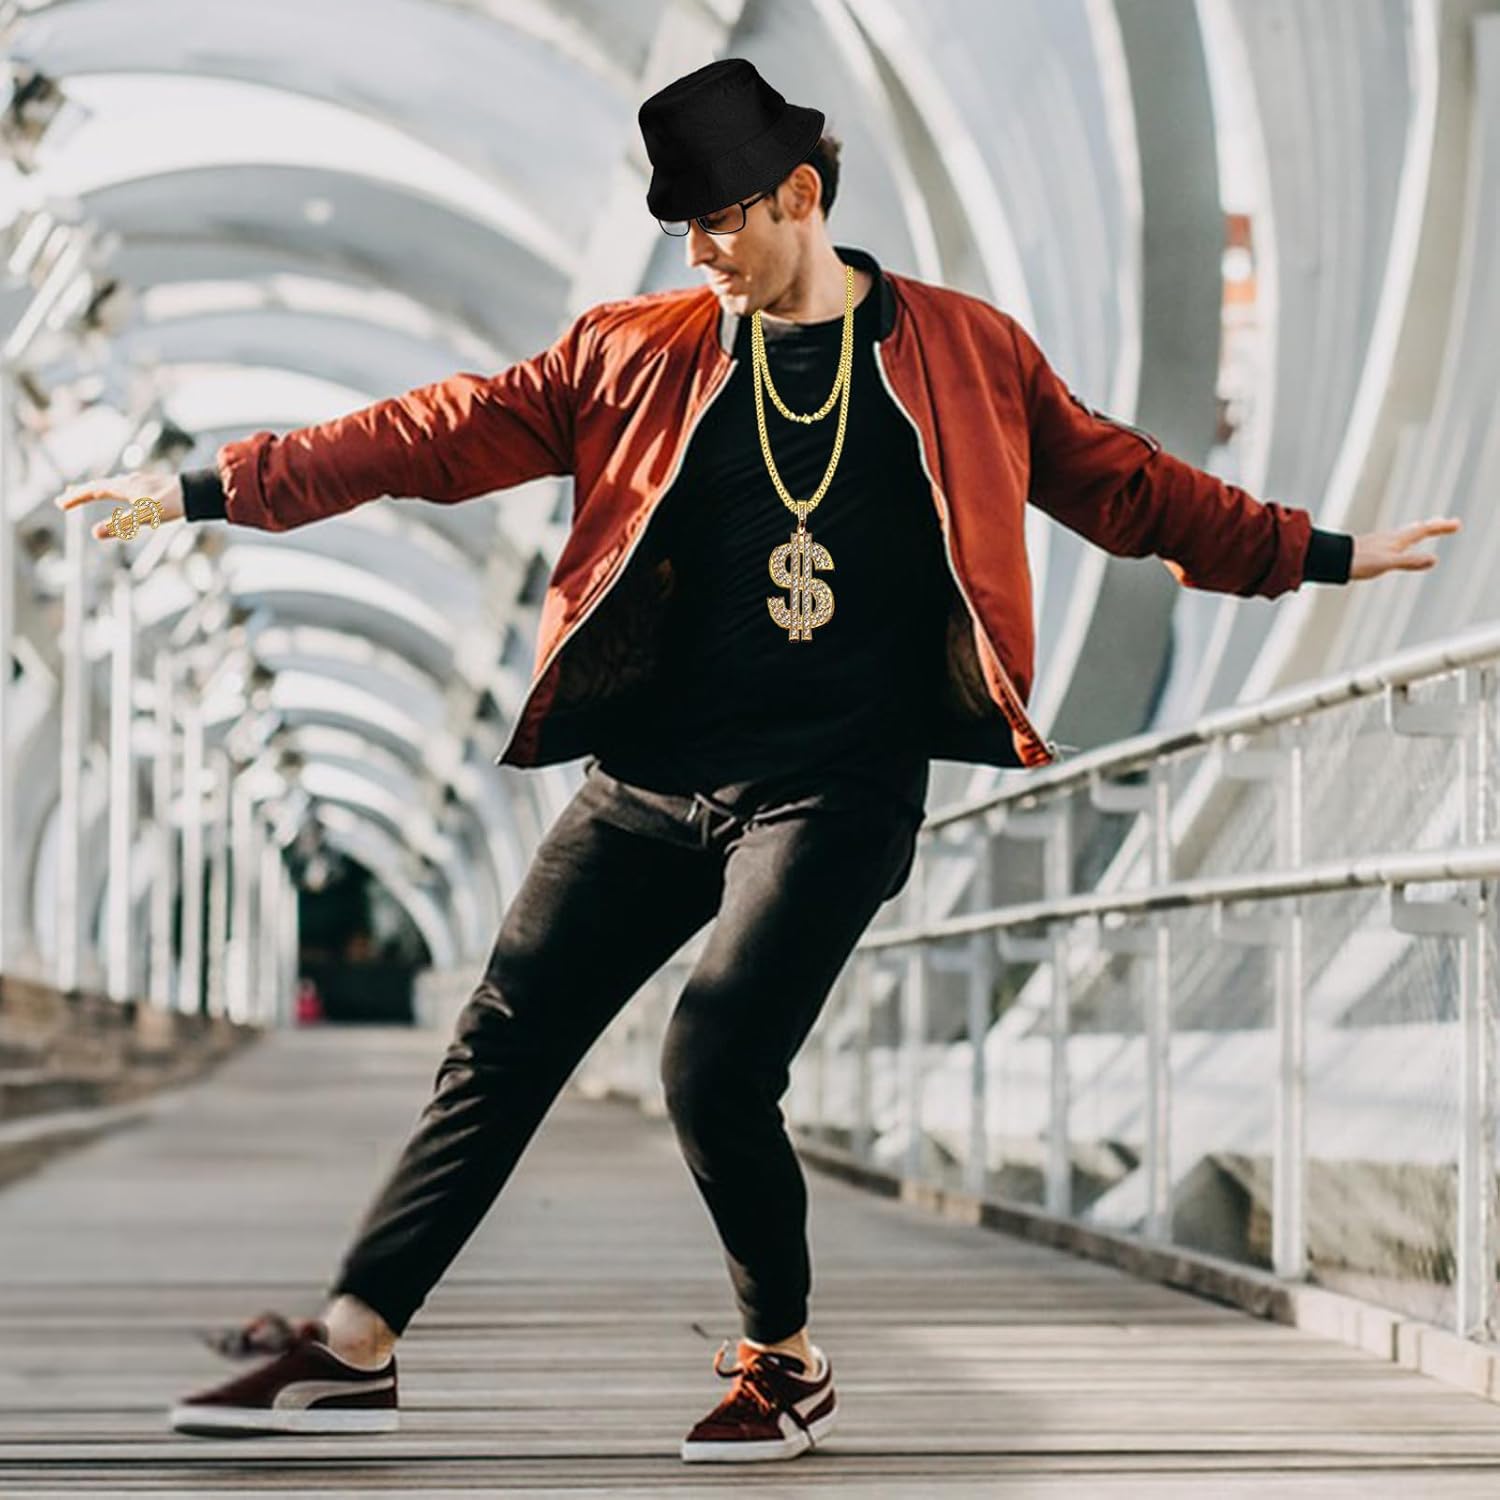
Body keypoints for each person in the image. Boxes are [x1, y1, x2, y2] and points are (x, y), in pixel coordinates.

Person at [54, 56, 1458, 1465]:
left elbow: (1128, 488)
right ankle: (356, 1342)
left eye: (720, 220)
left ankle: (781, 1360)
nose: (701, 252)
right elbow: (432, 432)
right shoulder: (632, 354)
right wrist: (210, 487)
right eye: (682, 228)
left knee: (715, 1058)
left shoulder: (966, 352)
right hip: (651, 781)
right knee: (504, 1035)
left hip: (836, 786)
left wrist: (1320, 553)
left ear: (800, 195)